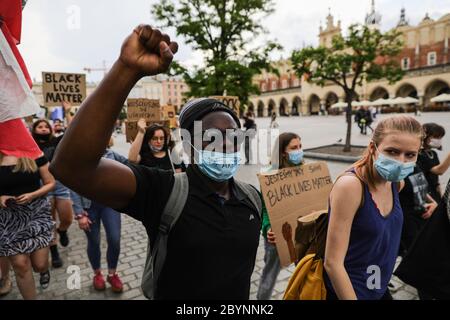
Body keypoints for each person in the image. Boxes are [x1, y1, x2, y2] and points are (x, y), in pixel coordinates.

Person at [50, 25, 262, 300]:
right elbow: (71, 167)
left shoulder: (252, 199)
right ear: (188, 144)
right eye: (212, 136)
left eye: (233, 136)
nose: (225, 144)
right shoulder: (165, 191)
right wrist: (126, 69)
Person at [324, 115, 423, 300]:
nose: (401, 161)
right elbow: (332, 263)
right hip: (350, 291)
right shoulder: (351, 187)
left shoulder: (396, 183)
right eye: (392, 151)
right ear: (373, 148)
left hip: (378, 286)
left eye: (410, 154)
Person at [71, 137, 129, 293]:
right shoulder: (79, 159)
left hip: (109, 205)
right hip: (88, 208)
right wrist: (79, 214)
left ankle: (112, 273)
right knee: (94, 241)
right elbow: (73, 186)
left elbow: (132, 165)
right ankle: (97, 274)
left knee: (115, 239)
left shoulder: (112, 155)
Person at [0, 151, 56, 299]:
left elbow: (51, 183)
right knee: (21, 265)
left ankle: (44, 270)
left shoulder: (34, 152)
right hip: (8, 219)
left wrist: (33, 195)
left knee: (40, 264)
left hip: (36, 213)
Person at [257, 132, 305, 300]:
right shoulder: (269, 175)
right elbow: (264, 209)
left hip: (303, 234)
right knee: (269, 275)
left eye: (300, 146)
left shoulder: (305, 171)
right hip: (277, 236)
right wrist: (268, 227)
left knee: (304, 272)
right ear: (283, 152)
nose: (299, 151)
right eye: (294, 148)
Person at [32, 119, 73, 268]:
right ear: (34, 130)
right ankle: (54, 252)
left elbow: (71, 131)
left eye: (45, 126)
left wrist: (67, 112)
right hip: (42, 185)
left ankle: (62, 230)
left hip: (60, 184)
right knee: (50, 221)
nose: (43, 129)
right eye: (39, 127)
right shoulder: (30, 146)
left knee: (67, 217)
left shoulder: (55, 142)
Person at [417, 123, 450, 202]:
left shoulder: (433, 153)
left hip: (435, 192)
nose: (438, 139)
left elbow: (436, 178)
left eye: (440, 137)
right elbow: (439, 171)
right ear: (425, 136)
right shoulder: (420, 155)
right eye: (436, 137)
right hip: (425, 193)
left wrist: (440, 193)